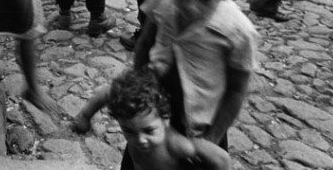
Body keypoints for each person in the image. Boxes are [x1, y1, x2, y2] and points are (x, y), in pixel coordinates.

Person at [133, 0, 257, 160]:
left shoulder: (238, 32)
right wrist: (139, 94)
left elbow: (237, 90)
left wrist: (210, 140)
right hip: (153, 116)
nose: (190, 6)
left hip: (201, 129)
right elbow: (143, 46)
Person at [73, 69, 231, 170]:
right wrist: (85, 114)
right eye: (128, 131)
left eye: (148, 131)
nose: (140, 139)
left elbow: (222, 160)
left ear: (166, 118)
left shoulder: (177, 145)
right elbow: (108, 93)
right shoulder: (135, 120)